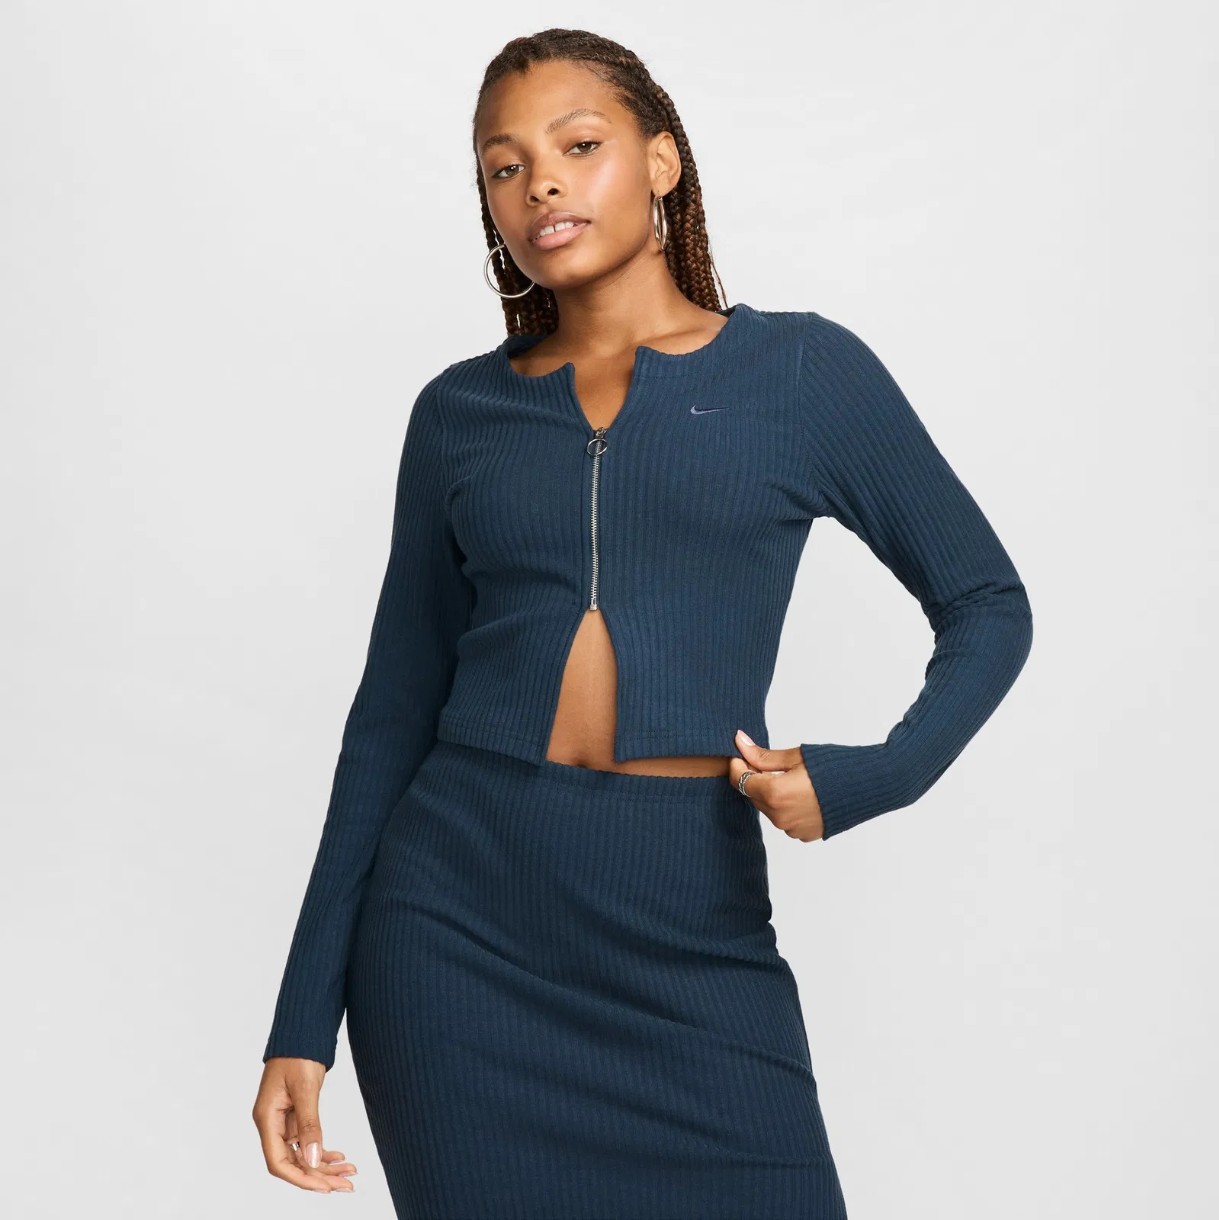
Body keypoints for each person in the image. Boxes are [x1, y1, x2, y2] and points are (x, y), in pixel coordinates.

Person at [251, 28, 1033, 1219]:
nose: (540, 183)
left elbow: (984, 601)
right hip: (454, 932)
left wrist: (870, 774)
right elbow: (390, 716)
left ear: (661, 162)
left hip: (687, 921)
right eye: (504, 165)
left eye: (578, 146)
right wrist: (302, 1017)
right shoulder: (460, 413)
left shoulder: (800, 373)